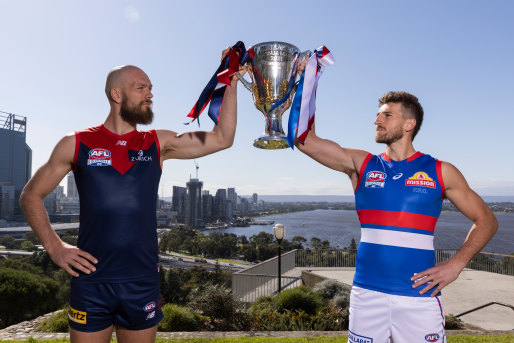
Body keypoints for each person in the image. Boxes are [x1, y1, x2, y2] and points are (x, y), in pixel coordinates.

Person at [19, 48, 244, 343]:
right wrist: (55, 247)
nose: (150, 94)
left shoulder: (158, 143)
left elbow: (222, 138)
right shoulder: (75, 144)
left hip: (141, 281)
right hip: (91, 281)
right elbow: (30, 195)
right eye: (141, 88)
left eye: (151, 88)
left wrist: (231, 80)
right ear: (116, 94)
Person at [296, 91, 498, 343]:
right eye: (378, 114)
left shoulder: (440, 171)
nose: (377, 121)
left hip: (418, 298)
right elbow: (304, 140)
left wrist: (456, 265)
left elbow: (487, 220)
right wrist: (308, 82)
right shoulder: (362, 164)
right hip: (367, 295)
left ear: (409, 124)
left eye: (387, 115)